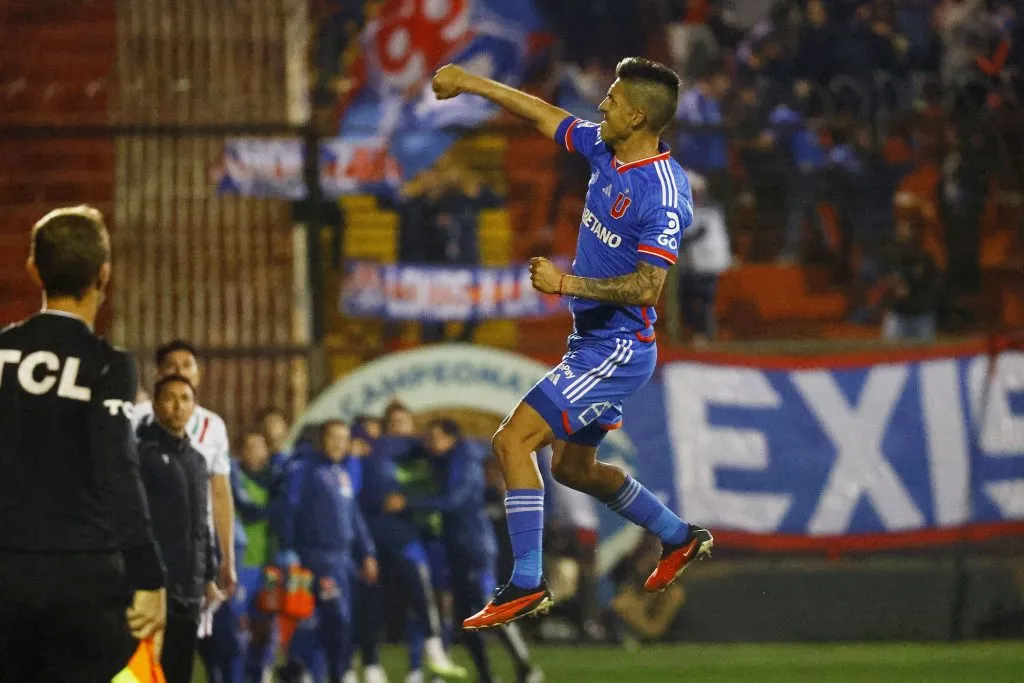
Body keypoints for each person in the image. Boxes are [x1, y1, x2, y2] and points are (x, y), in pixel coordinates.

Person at [431, 57, 714, 630]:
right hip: (593, 341)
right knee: (574, 471)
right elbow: (545, 116)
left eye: (611, 99)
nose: (601, 105)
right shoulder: (606, 149)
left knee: (512, 443)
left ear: (636, 115)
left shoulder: (661, 191)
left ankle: (527, 583)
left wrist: (567, 283)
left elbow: (649, 286)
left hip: (618, 347)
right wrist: (469, 83)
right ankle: (679, 536)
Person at [0, 205, 166, 681]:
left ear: (34, 270)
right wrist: (148, 574)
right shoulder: (108, 365)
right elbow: (118, 469)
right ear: (103, 275)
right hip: (85, 580)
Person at [397, 419, 544, 683]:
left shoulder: (463, 461)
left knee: (488, 606)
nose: (429, 444)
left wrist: (409, 503)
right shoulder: (447, 458)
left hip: (474, 546)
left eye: (434, 438)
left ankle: (526, 667)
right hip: (457, 545)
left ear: (450, 438)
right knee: (465, 617)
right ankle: (487, 675)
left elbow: (454, 501)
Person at [277, 420, 380, 683]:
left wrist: (367, 552)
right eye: (334, 437)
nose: (339, 443)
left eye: (344, 439)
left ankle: (325, 671)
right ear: (322, 440)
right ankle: (312, 671)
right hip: (318, 556)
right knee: (333, 619)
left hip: (344, 559)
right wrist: (289, 549)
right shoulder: (304, 469)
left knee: (340, 621)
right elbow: (290, 508)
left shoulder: (341, 472)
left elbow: (353, 516)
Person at [134, 339, 237, 597]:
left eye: (187, 365)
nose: (179, 371)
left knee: (190, 631)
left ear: (198, 374)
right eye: (170, 366)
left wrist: (227, 555)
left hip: (196, 551)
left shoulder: (213, 425)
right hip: (150, 546)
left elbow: (220, 492)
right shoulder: (135, 418)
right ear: (158, 373)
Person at [137, 374, 222, 683]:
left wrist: (209, 576)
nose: (178, 406)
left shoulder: (198, 461)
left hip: (189, 590)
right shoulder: (142, 456)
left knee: (180, 671)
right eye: (169, 398)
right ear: (157, 405)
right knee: (144, 672)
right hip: (154, 588)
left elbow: (202, 522)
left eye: (185, 398)